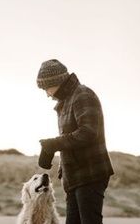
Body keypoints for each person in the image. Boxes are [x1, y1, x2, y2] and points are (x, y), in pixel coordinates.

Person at [36, 59, 114, 224]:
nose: (47, 94)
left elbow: (88, 133)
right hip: (74, 176)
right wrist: (62, 167)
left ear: (56, 81)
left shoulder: (83, 95)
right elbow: (70, 138)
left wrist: (53, 144)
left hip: (90, 172)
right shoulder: (66, 101)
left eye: (47, 88)